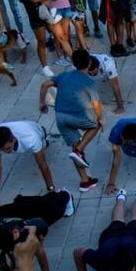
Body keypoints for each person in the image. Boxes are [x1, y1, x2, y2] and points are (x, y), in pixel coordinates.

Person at [38, 48, 101, 192]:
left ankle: (85, 181)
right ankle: (79, 150)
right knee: (95, 125)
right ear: (89, 62)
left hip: (60, 118)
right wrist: (100, 118)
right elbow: (96, 104)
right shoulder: (88, 81)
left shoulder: (64, 75)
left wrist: (41, 103)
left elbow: (44, 85)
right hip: (77, 117)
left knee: (74, 151)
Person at [0, 120, 55, 207]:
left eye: (8, 148)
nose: (5, 152)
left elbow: (42, 164)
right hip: (22, 127)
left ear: (13, 139)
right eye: (1, 149)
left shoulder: (31, 137)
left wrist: (51, 188)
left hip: (34, 129)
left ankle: (43, 132)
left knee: (42, 145)